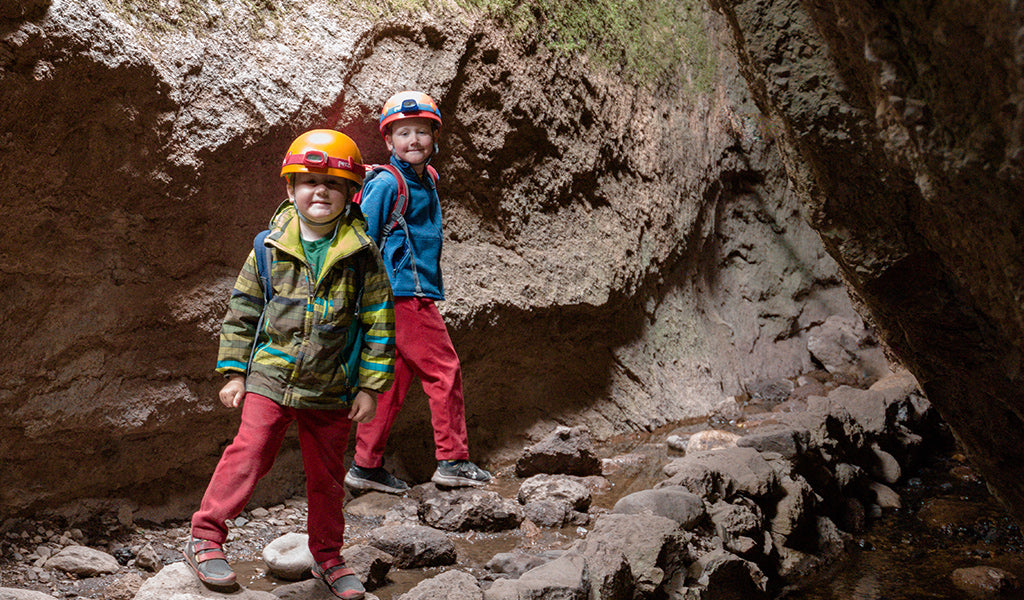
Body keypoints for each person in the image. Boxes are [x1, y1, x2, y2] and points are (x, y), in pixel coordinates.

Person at [184, 129, 395, 600]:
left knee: (326, 478)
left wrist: (369, 387)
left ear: (350, 192)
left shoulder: (363, 257)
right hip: (271, 375)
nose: (320, 191)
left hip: (332, 384)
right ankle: (206, 536)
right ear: (289, 188)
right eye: (309, 181)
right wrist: (235, 371)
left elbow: (380, 322)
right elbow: (242, 311)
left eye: (334, 184)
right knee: (250, 452)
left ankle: (327, 556)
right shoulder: (268, 246)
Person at [343, 90, 492, 495]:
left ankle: (365, 466)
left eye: (421, 132)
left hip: (409, 291)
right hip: (402, 295)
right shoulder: (387, 184)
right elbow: (364, 240)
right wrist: (365, 296)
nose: (413, 140)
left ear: (434, 138)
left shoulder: (427, 179)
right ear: (388, 141)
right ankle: (453, 460)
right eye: (403, 133)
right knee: (444, 371)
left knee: (391, 384)